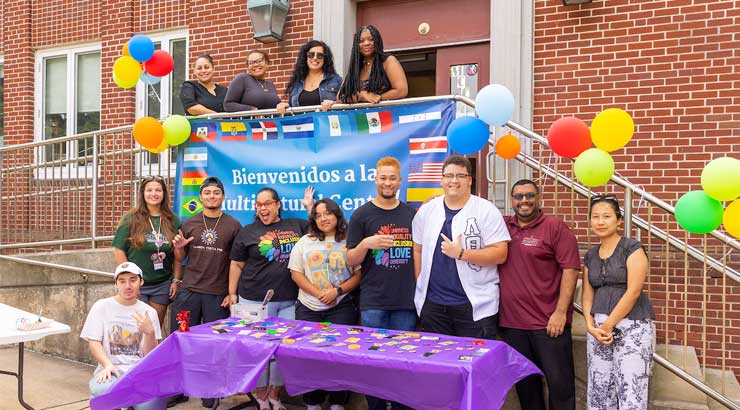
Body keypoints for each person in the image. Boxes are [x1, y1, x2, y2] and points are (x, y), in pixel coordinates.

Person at [228, 187, 313, 410]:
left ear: (277, 205)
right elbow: (236, 264)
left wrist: (310, 207)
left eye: (267, 203)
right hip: (253, 301)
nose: (263, 208)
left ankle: (275, 395)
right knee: (256, 350)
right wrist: (231, 293)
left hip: (289, 301)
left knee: (283, 352)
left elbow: (319, 232)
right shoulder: (247, 231)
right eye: (259, 204)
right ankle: (261, 397)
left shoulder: (297, 225)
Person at [498, 179, 580, 410]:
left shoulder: (554, 227)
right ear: (512, 200)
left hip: (548, 323)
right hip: (512, 324)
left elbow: (570, 270)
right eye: (519, 196)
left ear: (538, 197)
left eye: (529, 195)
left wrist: (561, 313)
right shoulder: (503, 226)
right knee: (526, 387)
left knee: (560, 386)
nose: (524, 201)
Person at [412, 154, 510, 339]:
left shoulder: (486, 210)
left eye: (460, 176)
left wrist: (462, 253)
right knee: (438, 363)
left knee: (474, 363)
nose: (454, 180)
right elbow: (417, 249)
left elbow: (500, 253)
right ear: (441, 180)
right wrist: (420, 282)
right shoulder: (427, 211)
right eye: (449, 175)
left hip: (474, 305)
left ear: (469, 180)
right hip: (433, 306)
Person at [346, 156, 416, 410]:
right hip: (373, 302)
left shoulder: (410, 213)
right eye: (383, 177)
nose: (387, 182)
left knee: (402, 363)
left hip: (406, 302)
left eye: (392, 178)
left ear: (400, 181)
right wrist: (366, 243)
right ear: (375, 179)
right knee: (373, 363)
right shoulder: (362, 215)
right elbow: (349, 259)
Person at [170, 177, 242, 408]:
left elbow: (237, 263)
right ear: (200, 197)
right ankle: (179, 388)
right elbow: (180, 258)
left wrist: (232, 292)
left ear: (223, 197)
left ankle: (210, 391)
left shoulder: (233, 225)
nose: (211, 196)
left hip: (216, 296)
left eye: (216, 193)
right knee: (181, 339)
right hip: (188, 294)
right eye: (207, 193)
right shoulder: (189, 223)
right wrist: (179, 250)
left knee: (213, 345)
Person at [582, 195, 654, 410]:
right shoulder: (591, 255)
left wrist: (608, 325)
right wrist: (589, 324)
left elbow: (633, 292)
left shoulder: (632, 248)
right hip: (598, 328)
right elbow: (587, 294)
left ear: (618, 220)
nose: (600, 222)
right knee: (599, 388)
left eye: (606, 216)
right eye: (595, 217)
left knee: (631, 388)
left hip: (632, 325)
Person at [289, 198, 361, 410]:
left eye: (327, 213)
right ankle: (313, 402)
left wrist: (336, 292)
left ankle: (338, 401)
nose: (323, 218)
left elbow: (359, 275)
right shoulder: (305, 241)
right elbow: (296, 273)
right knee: (310, 357)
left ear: (337, 215)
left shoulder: (350, 240)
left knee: (339, 356)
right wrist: (319, 293)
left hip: (341, 307)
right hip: (308, 307)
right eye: (318, 215)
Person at [81, 262, 165, 410]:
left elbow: (150, 356)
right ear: (116, 284)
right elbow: (94, 342)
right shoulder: (101, 306)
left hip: (139, 373)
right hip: (111, 369)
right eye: (122, 281)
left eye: (133, 280)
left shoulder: (149, 312)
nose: (128, 286)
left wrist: (149, 333)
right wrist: (107, 364)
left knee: (153, 404)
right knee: (103, 391)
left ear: (141, 282)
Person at [113, 176, 181, 327]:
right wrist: (130, 280)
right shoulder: (131, 219)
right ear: (143, 194)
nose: (153, 194)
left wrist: (176, 280)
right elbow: (119, 250)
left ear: (164, 193)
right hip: (138, 284)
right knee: (135, 328)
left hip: (162, 284)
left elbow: (177, 255)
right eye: (149, 190)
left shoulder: (172, 220)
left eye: (158, 190)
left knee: (154, 327)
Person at [337, 25, 408, 104]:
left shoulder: (388, 61)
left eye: (371, 39)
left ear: (377, 41)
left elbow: (401, 91)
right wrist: (363, 95)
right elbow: (340, 98)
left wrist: (377, 98)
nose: (366, 43)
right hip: (360, 115)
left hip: (386, 113)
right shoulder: (356, 67)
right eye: (361, 41)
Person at [276, 40, 342, 115]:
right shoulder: (296, 83)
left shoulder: (335, 80)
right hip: (302, 125)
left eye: (320, 55)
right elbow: (292, 109)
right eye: (311, 54)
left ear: (325, 59)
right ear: (305, 57)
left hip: (326, 125)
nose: (315, 58)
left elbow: (344, 104)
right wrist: (285, 107)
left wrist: (334, 104)